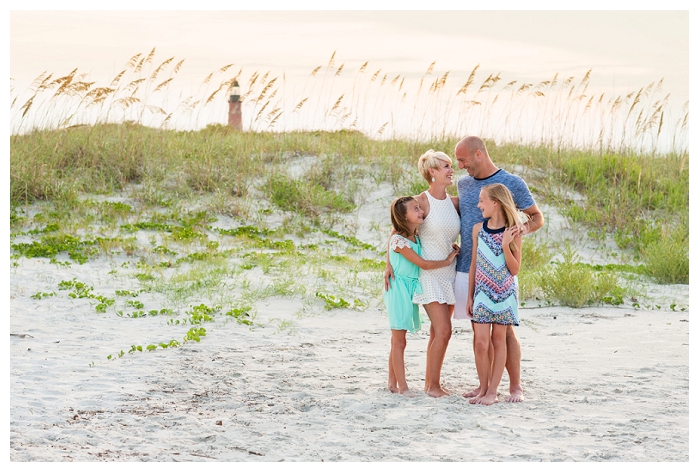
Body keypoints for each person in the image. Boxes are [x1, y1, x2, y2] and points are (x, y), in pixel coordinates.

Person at [453, 136, 544, 402]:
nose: (460, 166)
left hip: (501, 271)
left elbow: (537, 217)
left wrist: (516, 233)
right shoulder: (465, 184)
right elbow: (461, 208)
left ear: (478, 154)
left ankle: (514, 385)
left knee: (505, 334)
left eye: (463, 160)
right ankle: (486, 387)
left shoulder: (513, 183)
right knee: (479, 332)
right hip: (471, 265)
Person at [384, 150, 461, 398]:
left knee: (438, 333)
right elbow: (396, 232)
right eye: (446, 166)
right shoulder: (421, 202)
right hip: (428, 274)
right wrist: (389, 265)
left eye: (451, 166)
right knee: (444, 330)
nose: (451, 170)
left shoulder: (455, 202)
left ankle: (431, 384)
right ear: (432, 172)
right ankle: (433, 386)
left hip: (449, 272)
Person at [467, 184, 523, 405]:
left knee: (499, 340)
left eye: (482, 200)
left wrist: (506, 244)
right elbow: (474, 264)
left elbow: (515, 269)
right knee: (481, 342)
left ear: (495, 202)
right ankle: (483, 388)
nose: (479, 205)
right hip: (482, 293)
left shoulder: (513, 230)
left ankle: (492, 392)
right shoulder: (477, 229)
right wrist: (471, 295)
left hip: (504, 293)